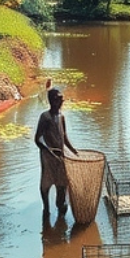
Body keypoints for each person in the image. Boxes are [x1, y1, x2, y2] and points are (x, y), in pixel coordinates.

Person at [34, 85, 79, 220]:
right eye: (60, 99)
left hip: (60, 157)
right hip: (48, 157)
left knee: (62, 182)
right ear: (53, 101)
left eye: (62, 99)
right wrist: (49, 150)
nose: (62, 102)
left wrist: (73, 151)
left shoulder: (61, 116)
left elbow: (64, 136)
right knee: (46, 183)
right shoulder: (45, 117)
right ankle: (46, 208)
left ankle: (60, 205)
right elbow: (38, 139)